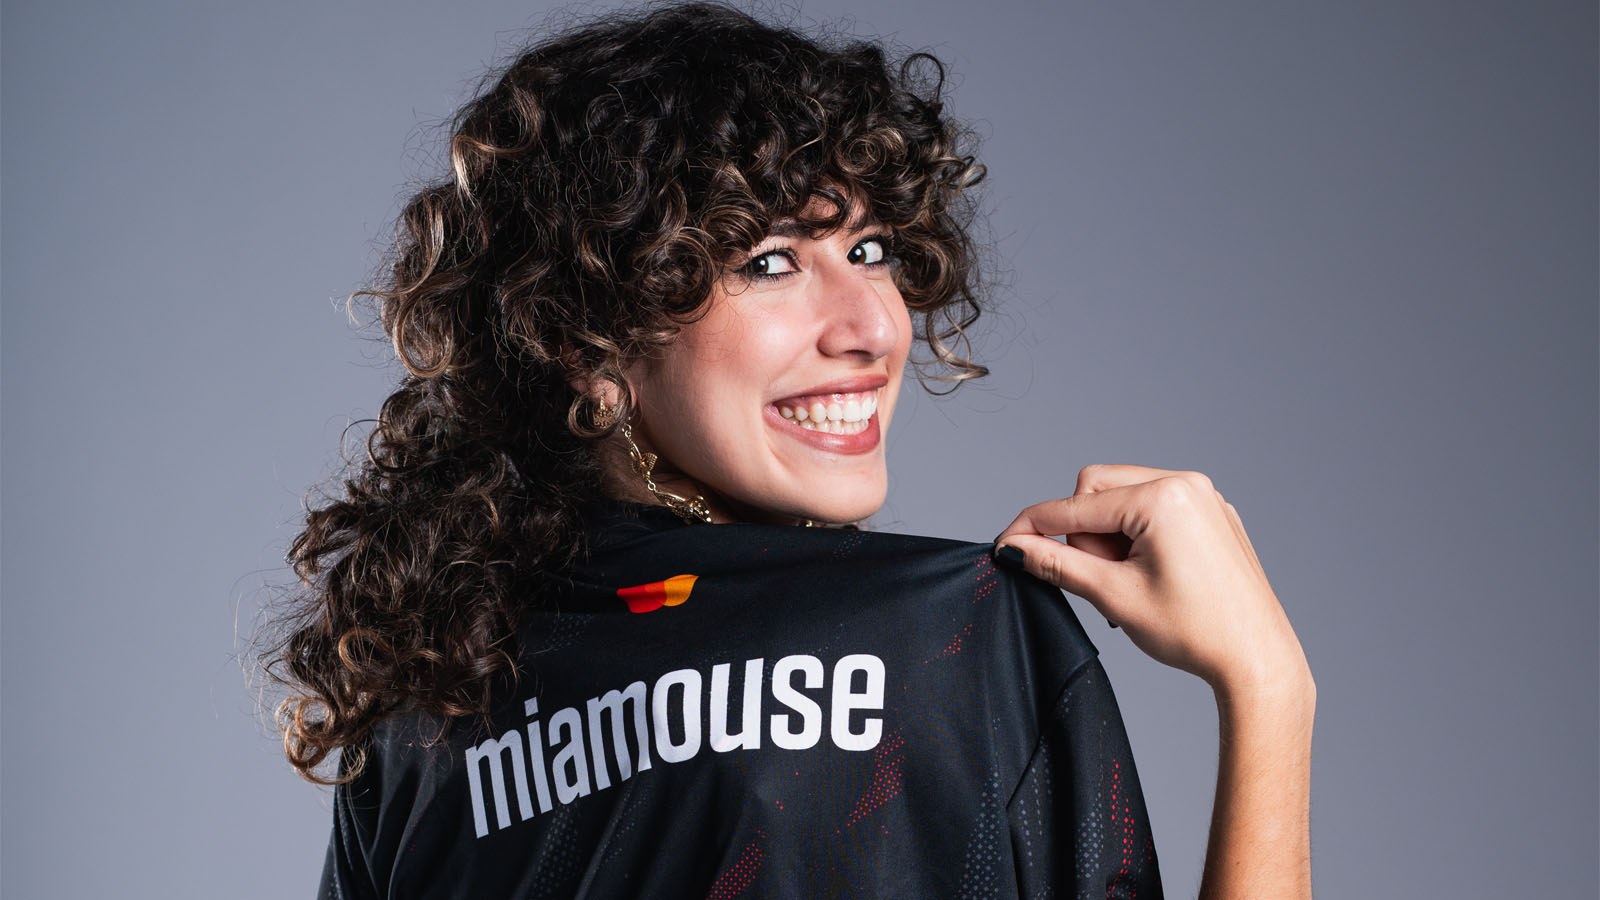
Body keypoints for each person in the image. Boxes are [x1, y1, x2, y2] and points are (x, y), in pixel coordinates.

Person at [262, 3, 1315, 897]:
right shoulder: (938, 640)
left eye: (868, 249)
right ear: (585, 339)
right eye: (768, 261)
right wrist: (1267, 689)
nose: (871, 325)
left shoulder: (423, 717)